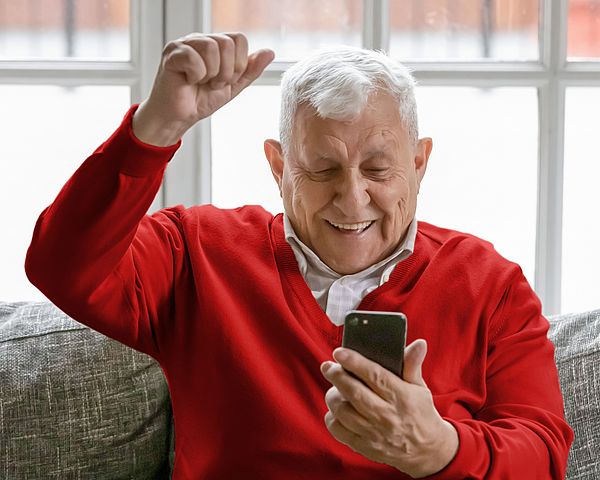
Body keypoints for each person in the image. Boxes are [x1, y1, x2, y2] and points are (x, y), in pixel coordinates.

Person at [25, 32, 573, 479]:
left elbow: (544, 454)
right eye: (322, 169)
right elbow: (61, 267)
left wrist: (441, 449)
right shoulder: (195, 253)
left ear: (420, 162)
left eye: (379, 169)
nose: (352, 197)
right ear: (277, 165)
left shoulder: (490, 284)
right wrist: (156, 128)